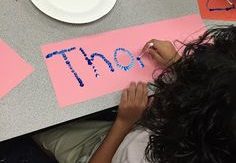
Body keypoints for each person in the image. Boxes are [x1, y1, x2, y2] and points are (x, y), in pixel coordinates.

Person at [33, 25, 236, 163]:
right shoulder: (216, 128)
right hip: (135, 129)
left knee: (39, 129)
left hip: (106, 149)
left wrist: (124, 123)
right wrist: (179, 65)